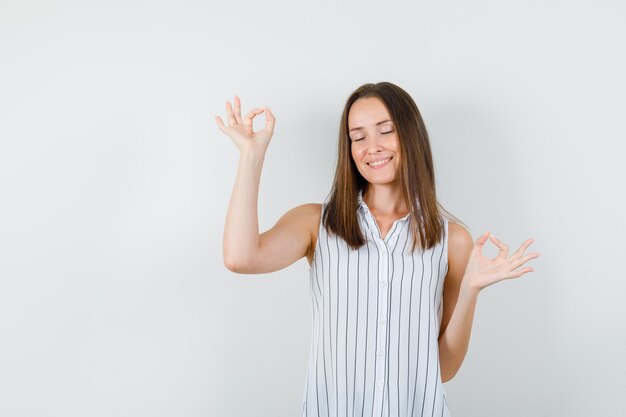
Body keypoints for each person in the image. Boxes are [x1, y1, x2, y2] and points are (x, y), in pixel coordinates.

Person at [215, 81, 540, 417]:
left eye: (385, 131)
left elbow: (442, 368)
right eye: (358, 137)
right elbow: (240, 257)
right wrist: (251, 156)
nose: (373, 147)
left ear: (410, 136)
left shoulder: (452, 240)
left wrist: (471, 289)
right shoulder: (316, 223)